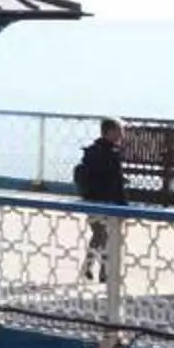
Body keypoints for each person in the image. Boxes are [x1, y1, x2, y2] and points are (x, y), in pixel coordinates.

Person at [73, 117, 130, 281]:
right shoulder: (112, 154)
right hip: (106, 202)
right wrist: (124, 206)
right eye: (119, 131)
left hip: (91, 199)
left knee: (99, 235)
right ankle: (104, 272)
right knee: (106, 237)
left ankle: (89, 268)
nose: (122, 135)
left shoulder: (92, 151)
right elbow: (116, 183)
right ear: (110, 132)